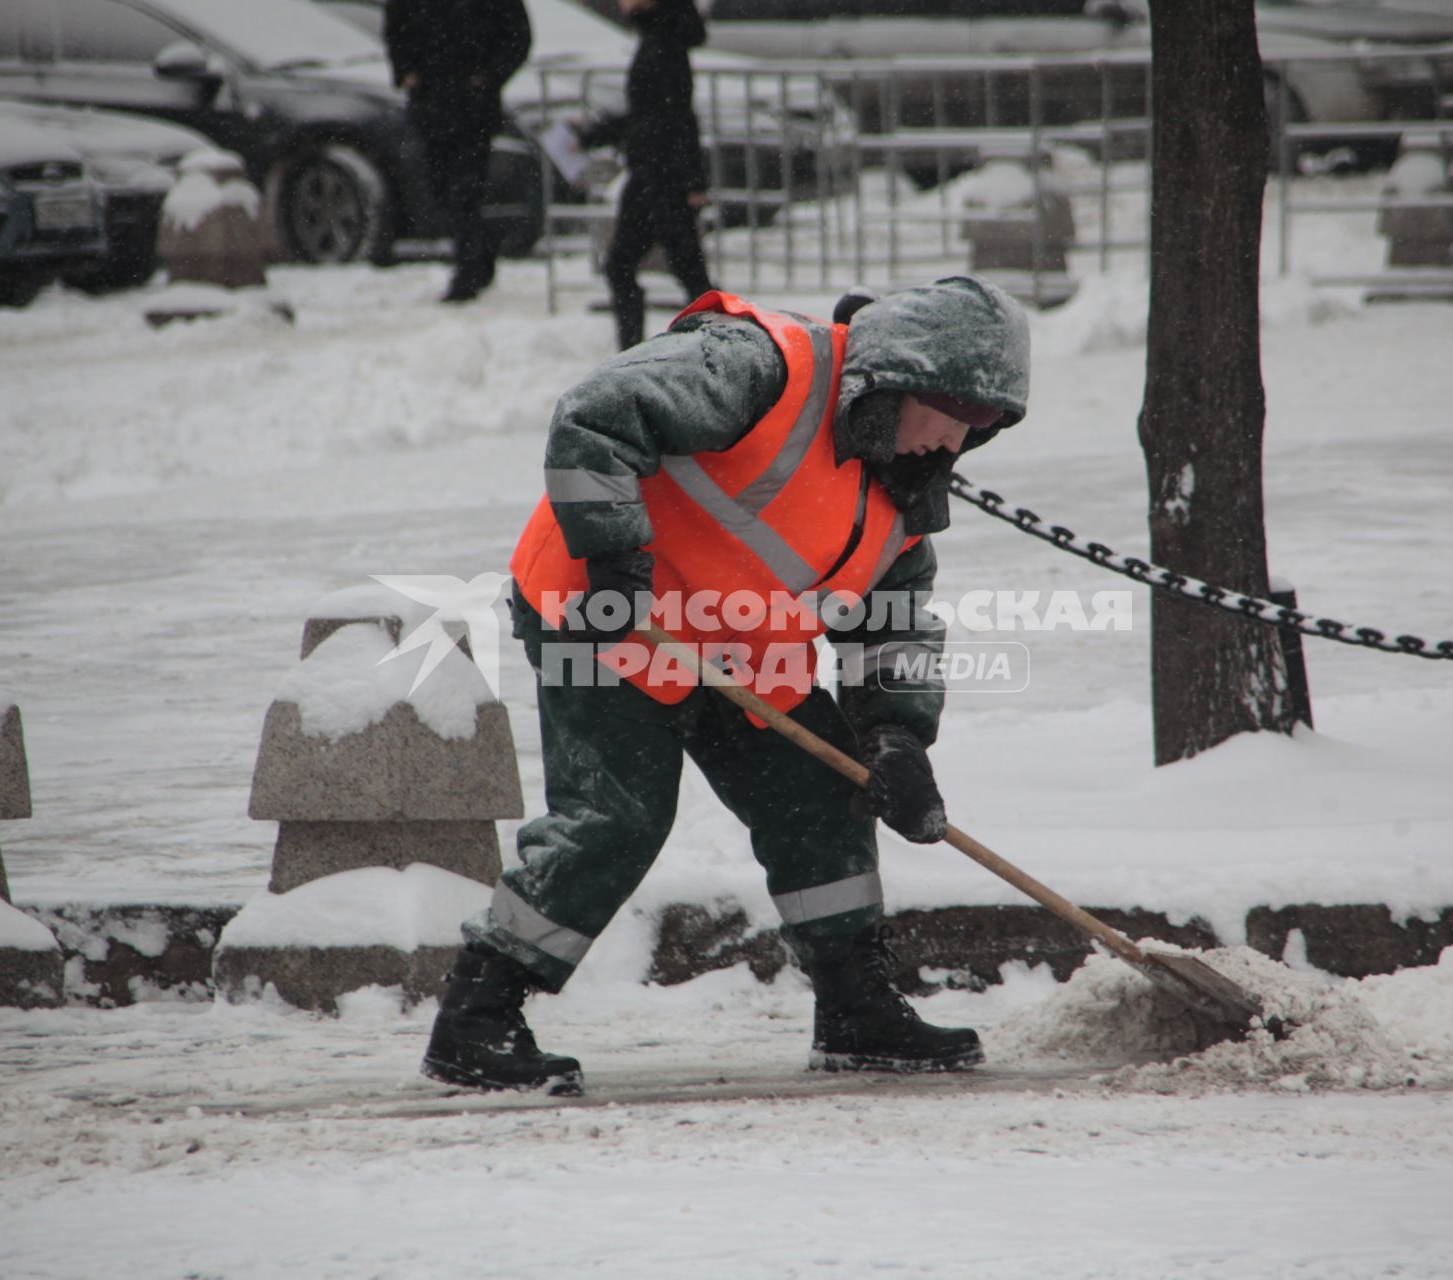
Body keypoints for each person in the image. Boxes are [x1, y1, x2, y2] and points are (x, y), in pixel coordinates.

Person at [424, 276, 1031, 1095]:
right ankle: (476, 1016)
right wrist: (611, 556)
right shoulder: (757, 367)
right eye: (962, 414)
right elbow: (596, 414)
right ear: (901, 381)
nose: (961, 441)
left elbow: (893, 617)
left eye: (986, 426)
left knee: (820, 793)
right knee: (619, 816)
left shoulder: (902, 478)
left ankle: (854, 1008)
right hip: (610, 616)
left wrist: (895, 736)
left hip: (739, 648)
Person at [574, 0, 714, 350]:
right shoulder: (658, 36)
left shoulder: (664, 41)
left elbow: (676, 117)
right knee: (672, 271)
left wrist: (693, 180)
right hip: (654, 172)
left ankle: (638, 351)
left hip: (661, 175)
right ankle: (635, 352)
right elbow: (649, 114)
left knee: (641, 268)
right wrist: (593, 135)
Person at [383, 0, 531, 302]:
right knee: (441, 192)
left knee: (466, 193)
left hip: (473, 108)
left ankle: (466, 274)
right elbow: (395, 26)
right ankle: (482, 247)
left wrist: (489, 76)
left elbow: (517, 35)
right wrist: (406, 70)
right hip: (431, 102)